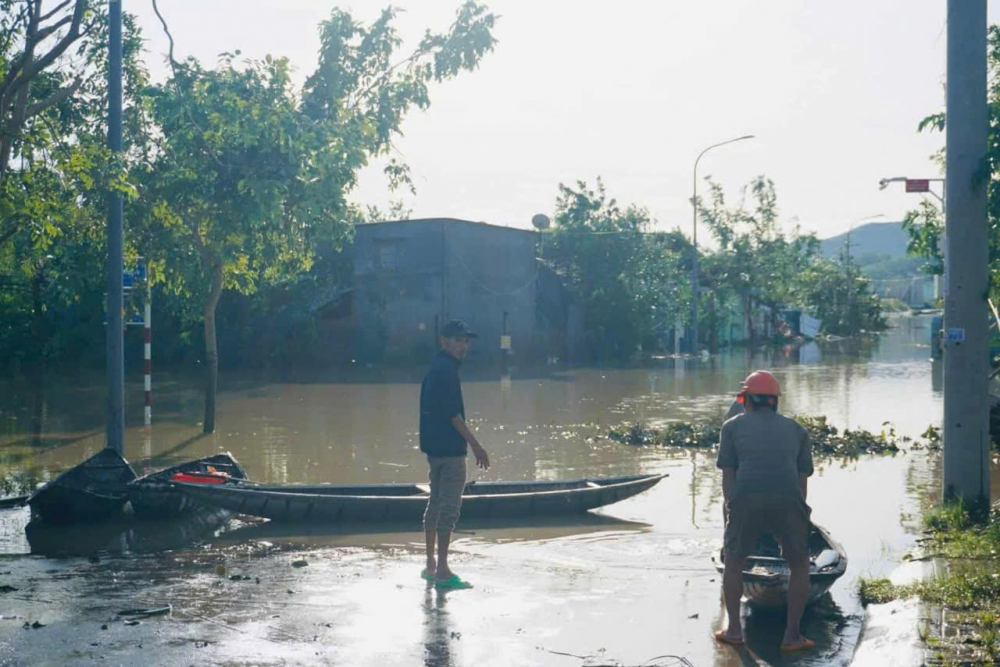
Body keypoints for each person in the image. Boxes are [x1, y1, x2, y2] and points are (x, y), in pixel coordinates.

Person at [714, 370, 815, 652]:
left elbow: (728, 476)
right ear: (775, 402)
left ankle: (734, 631)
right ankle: (792, 636)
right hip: (789, 499)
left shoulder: (731, 427)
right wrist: (799, 513)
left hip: (745, 499)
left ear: (746, 399)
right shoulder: (796, 429)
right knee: (799, 565)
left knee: (734, 562)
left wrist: (732, 509)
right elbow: (802, 479)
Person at [418, 318, 490, 590]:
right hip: (449, 452)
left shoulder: (436, 368)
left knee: (435, 503)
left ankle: (430, 564)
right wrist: (476, 445)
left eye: (466, 341)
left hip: (435, 450)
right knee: (448, 509)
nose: (464, 346)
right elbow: (453, 415)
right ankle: (443, 572)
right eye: (459, 340)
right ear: (444, 341)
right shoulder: (446, 371)